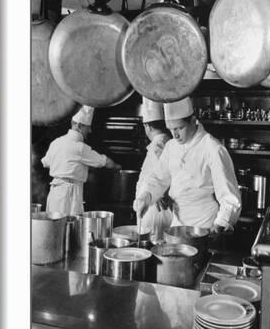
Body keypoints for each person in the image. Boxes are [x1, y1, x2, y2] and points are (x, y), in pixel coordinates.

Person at [133, 97, 241, 233]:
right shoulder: (171, 147)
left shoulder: (213, 148)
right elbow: (158, 179)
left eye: (179, 128)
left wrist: (221, 223)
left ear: (193, 120)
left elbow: (229, 196)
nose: (175, 135)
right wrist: (145, 197)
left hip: (204, 225)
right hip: (176, 225)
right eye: (171, 129)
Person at [41, 105, 121, 215]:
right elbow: (105, 162)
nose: (90, 130)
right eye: (87, 127)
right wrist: (118, 167)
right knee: (69, 228)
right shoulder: (80, 148)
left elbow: (46, 163)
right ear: (79, 126)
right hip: (68, 196)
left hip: (55, 194)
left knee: (54, 229)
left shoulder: (56, 142)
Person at [135, 98, 173, 241]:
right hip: (154, 205)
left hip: (155, 210)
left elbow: (161, 177)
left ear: (148, 126)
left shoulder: (158, 146)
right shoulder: (167, 142)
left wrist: (158, 195)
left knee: (154, 246)